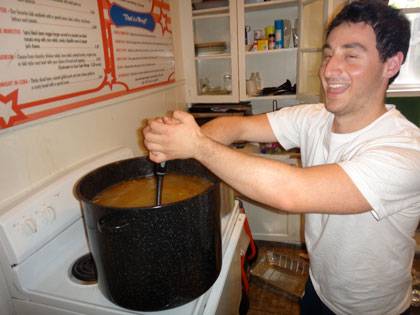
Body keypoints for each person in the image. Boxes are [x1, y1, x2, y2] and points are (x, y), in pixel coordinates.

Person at [143, 0, 420, 314]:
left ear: (392, 64)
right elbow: (236, 126)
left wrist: (197, 146)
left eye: (351, 56)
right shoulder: (315, 117)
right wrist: (176, 143)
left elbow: (292, 191)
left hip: (372, 308)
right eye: (328, 54)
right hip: (318, 289)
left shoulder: (407, 152)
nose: (329, 70)